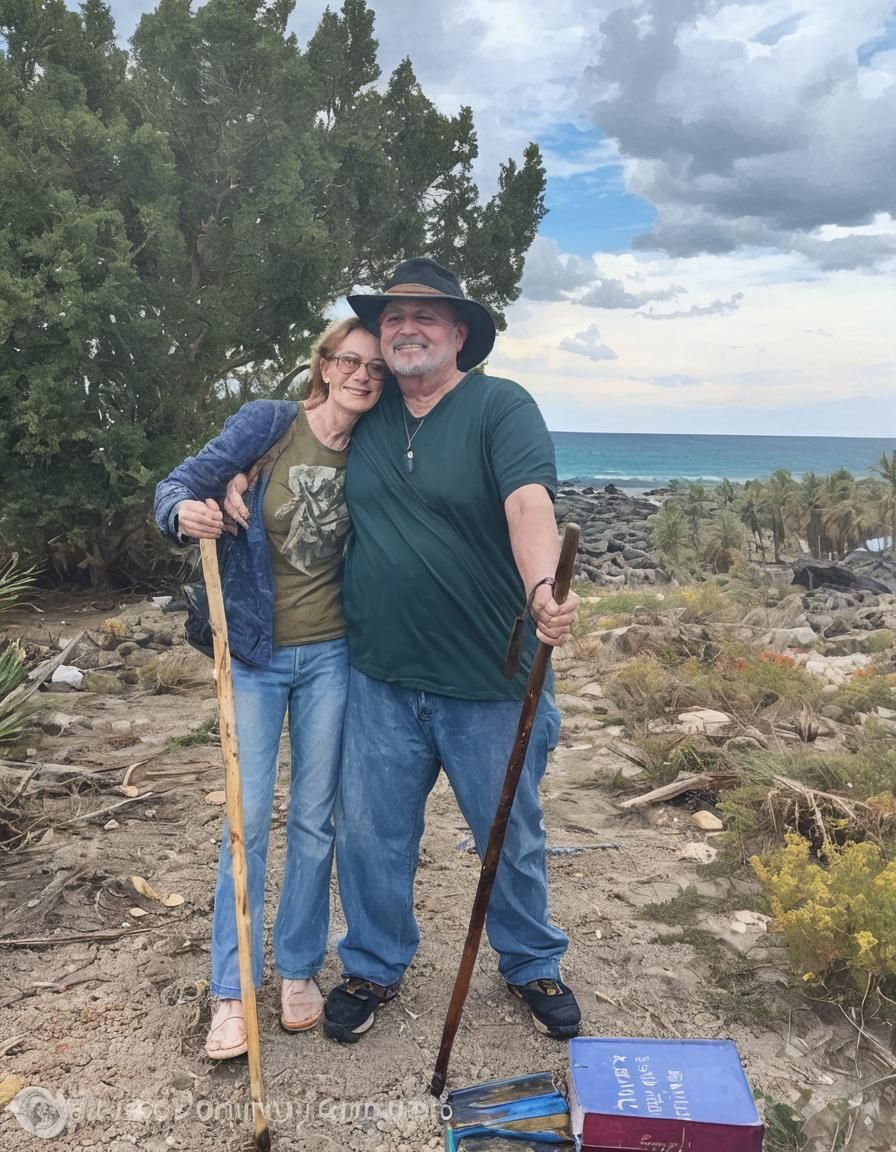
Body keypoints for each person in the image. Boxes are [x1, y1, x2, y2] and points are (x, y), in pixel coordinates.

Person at [225, 257, 582, 1045]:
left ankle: (529, 961)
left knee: (507, 831)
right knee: (371, 836)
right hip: (377, 676)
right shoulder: (371, 411)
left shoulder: (500, 406)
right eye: (394, 318)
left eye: (426, 316)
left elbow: (528, 501)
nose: (406, 328)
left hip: (488, 675)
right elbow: (301, 448)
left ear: (459, 333)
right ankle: (374, 965)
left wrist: (541, 589)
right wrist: (237, 477)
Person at [154, 318, 385, 1059]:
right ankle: (230, 989)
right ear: (323, 366)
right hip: (254, 653)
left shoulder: (381, 445)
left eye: (376, 368)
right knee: (246, 822)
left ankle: (297, 970)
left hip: (333, 657)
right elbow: (178, 484)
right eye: (350, 360)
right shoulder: (270, 425)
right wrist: (185, 510)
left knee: (316, 820)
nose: (363, 375)